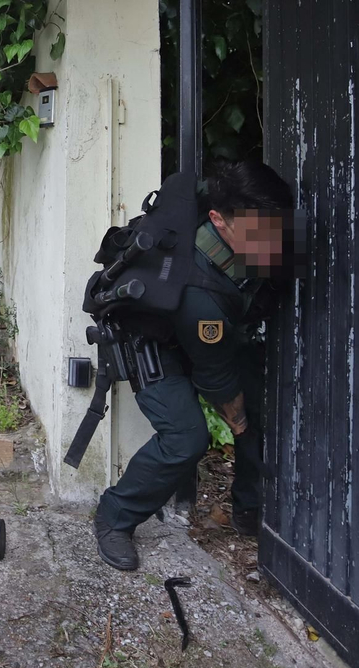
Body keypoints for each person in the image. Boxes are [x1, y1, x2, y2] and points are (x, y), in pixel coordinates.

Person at [93, 159, 293, 571]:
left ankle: (249, 510)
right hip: (149, 340)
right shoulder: (203, 301)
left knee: (261, 400)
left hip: (200, 326)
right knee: (187, 437)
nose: (271, 241)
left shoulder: (220, 200)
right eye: (258, 234)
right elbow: (216, 379)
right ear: (218, 221)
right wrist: (239, 423)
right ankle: (114, 517)